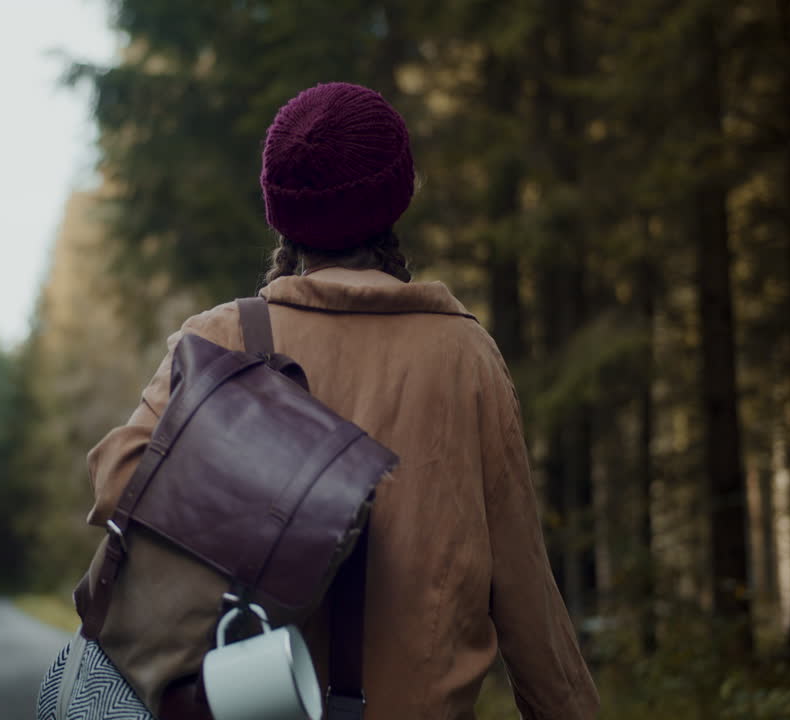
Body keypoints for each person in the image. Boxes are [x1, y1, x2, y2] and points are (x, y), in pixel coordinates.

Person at [85, 82, 599, 720]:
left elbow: (117, 483)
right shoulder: (465, 355)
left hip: (257, 706)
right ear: (396, 198)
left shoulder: (222, 340)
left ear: (280, 211)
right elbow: (524, 591)